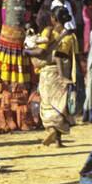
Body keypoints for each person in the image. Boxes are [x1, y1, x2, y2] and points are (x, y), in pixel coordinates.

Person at [30, 8, 77, 147]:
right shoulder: (71, 37)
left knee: (47, 103)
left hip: (47, 72)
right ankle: (58, 141)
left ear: (53, 19)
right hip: (63, 73)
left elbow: (41, 51)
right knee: (60, 104)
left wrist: (26, 52)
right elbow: (74, 57)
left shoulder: (47, 33)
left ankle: (51, 129)